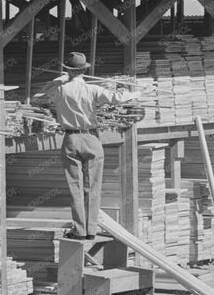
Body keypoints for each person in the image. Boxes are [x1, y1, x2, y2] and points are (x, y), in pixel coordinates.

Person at [32, 52, 136, 239]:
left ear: (68, 70)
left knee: (75, 187)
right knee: (93, 186)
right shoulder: (92, 89)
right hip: (91, 138)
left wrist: (60, 79)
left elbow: (40, 95)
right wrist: (135, 93)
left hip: (71, 138)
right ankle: (91, 230)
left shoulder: (61, 90)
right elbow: (117, 98)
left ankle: (79, 230)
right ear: (84, 70)